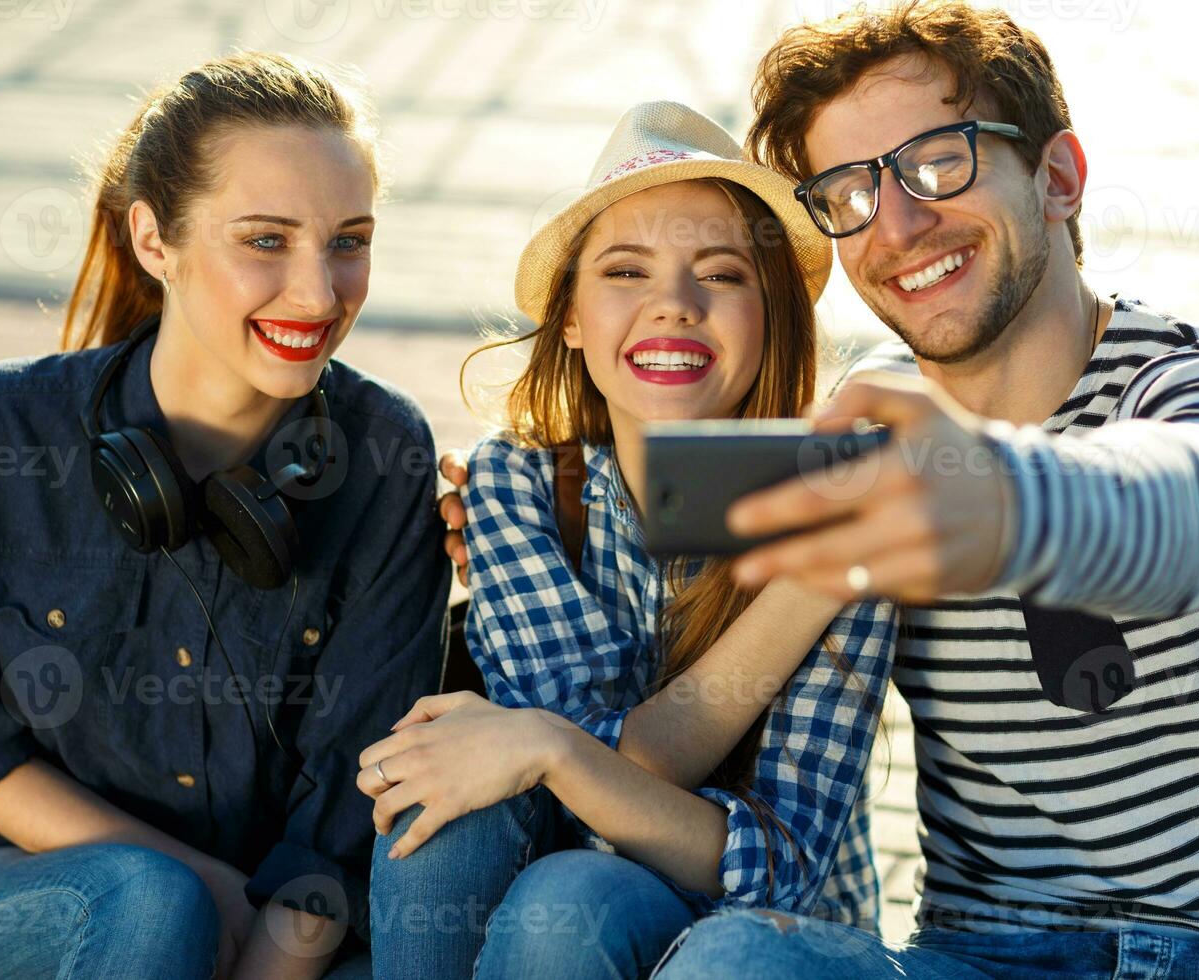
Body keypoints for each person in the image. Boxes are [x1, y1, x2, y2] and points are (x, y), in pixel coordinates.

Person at [647, 3, 1199, 977]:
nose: (898, 223)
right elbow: (696, 699)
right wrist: (535, 497)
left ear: (1060, 177)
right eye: (850, 193)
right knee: (731, 962)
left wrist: (1010, 498)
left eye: (939, 160)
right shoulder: (873, 441)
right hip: (979, 955)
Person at [0, 52, 448, 979]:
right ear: (155, 240)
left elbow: (343, 819)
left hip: (281, 923)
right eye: (267, 241)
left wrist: (261, 938)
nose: (320, 295)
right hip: (19, 900)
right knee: (153, 907)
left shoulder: (385, 455)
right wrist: (202, 889)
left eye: (348, 241)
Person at [357, 101, 895, 980]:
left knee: (568, 903)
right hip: (560, 909)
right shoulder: (519, 486)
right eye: (625, 272)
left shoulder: (838, 495)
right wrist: (556, 747)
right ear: (570, 318)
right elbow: (602, 758)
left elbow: (785, 865)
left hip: (767, 942)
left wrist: (549, 748)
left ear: (771, 318)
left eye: (719, 275)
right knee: (456, 830)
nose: (673, 306)